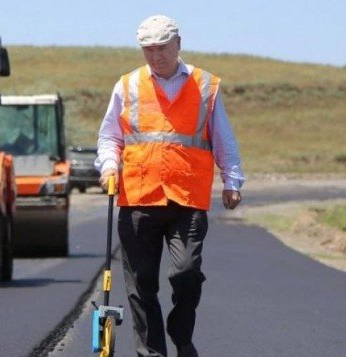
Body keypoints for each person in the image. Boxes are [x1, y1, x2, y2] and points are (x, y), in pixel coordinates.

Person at [95, 14, 244, 357]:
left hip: (187, 199)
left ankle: (181, 333)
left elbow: (223, 138)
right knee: (141, 284)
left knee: (186, 272)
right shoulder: (127, 86)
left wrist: (232, 180)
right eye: (148, 50)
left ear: (178, 44)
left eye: (162, 48)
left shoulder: (205, 85)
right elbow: (109, 137)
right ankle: (152, 352)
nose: (156, 56)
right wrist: (109, 165)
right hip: (138, 198)